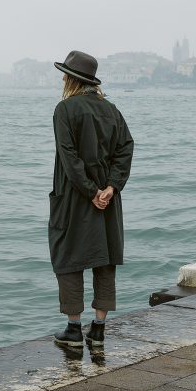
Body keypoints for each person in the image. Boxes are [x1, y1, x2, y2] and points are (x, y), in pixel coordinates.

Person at [49, 50, 135, 349]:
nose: (62, 77)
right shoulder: (111, 109)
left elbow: (69, 158)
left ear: (72, 80)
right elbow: (126, 148)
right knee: (104, 258)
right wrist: (110, 187)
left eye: (65, 73)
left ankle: (74, 330)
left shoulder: (65, 110)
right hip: (108, 199)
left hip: (76, 196)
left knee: (68, 257)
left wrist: (90, 191)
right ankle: (98, 329)